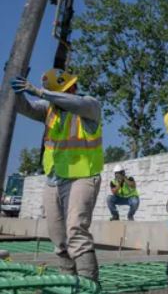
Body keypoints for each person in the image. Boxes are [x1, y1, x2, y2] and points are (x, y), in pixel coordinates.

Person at [11, 68, 103, 281]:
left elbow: (75, 103)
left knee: (76, 230)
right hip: (54, 178)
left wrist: (40, 92)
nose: (71, 89)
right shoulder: (50, 109)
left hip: (82, 176)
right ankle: (68, 280)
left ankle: (89, 285)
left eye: (70, 87)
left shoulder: (89, 105)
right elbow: (24, 108)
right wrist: (17, 90)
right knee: (58, 236)